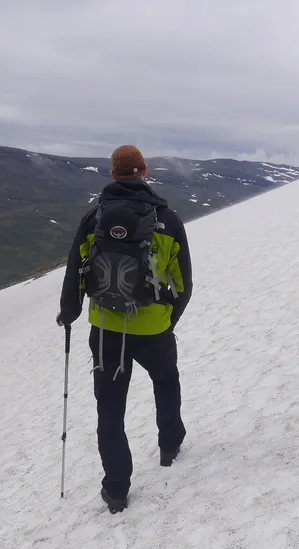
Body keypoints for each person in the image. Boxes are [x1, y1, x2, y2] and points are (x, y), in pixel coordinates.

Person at [57, 145, 193, 513]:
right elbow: (184, 283)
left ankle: (116, 490)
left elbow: (75, 270)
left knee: (110, 408)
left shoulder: (94, 218)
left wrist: (68, 312)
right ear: (144, 171)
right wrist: (167, 319)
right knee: (165, 382)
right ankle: (170, 445)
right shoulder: (168, 219)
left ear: (114, 173)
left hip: (105, 330)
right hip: (152, 329)